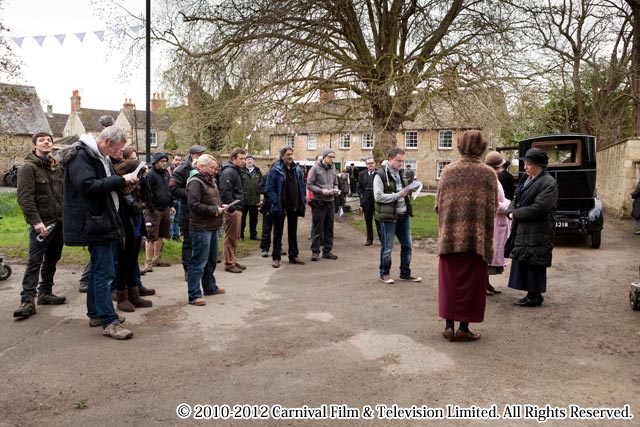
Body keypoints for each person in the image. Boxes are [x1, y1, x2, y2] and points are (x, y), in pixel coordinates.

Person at [61, 126, 138, 339]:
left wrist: (124, 186)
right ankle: (109, 321)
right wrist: (121, 180)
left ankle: (96, 313)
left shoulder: (100, 156)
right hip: (95, 222)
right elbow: (87, 186)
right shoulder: (81, 156)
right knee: (105, 273)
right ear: (105, 141)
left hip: (102, 220)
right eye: (118, 148)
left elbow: (107, 184)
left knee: (98, 271)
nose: (119, 153)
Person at [435, 131, 497, 342]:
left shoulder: (448, 171)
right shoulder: (488, 173)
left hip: (450, 238)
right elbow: (493, 208)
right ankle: (464, 328)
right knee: (472, 284)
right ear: (482, 147)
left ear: (460, 145)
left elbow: (437, 205)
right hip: (476, 239)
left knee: (450, 282)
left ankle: (448, 327)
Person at [13, 131, 65, 319]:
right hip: (41, 225)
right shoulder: (28, 168)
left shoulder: (55, 167)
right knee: (35, 262)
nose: (46, 142)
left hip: (58, 223)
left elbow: (62, 194)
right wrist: (36, 222)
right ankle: (27, 300)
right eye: (42, 140)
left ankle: (45, 293)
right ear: (34, 145)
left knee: (52, 259)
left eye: (49, 140)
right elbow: (25, 199)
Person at [506, 147, 558, 307]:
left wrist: (516, 214)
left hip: (538, 229)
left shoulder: (549, 182)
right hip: (524, 228)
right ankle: (531, 293)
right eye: (525, 163)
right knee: (525, 258)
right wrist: (511, 210)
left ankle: (534, 295)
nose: (525, 167)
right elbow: (515, 198)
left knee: (534, 260)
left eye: (528, 164)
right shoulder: (526, 179)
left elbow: (540, 207)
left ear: (538, 165)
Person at [373, 148, 421, 284]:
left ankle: (405, 273)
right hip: (388, 216)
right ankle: (384, 273)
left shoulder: (402, 173)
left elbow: (404, 191)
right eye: (398, 160)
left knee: (407, 245)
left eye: (402, 161)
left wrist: (411, 189)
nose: (401, 163)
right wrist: (397, 195)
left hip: (403, 214)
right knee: (387, 247)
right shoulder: (380, 174)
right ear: (390, 159)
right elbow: (378, 196)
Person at [185, 154, 227, 306]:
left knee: (211, 260)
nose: (214, 170)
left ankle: (210, 287)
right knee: (198, 262)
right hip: (200, 227)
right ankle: (194, 295)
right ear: (201, 167)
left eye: (215, 168)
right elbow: (193, 205)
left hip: (212, 225)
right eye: (211, 167)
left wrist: (220, 207)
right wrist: (213, 209)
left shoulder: (210, 181)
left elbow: (213, 200)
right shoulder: (195, 182)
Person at [113, 158, 153, 312]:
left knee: (131, 264)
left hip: (135, 229)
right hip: (125, 230)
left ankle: (133, 294)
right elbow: (134, 207)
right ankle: (122, 297)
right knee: (123, 265)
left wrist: (143, 182)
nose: (140, 179)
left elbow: (147, 199)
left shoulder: (135, 187)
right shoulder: (122, 189)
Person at [264, 145, 307, 268]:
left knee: (293, 232)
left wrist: (302, 198)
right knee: (278, 232)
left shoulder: (296, 169)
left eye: (291, 154)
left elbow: (301, 185)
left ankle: (293, 255)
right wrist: (275, 202)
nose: (290, 156)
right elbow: (269, 188)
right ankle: (276, 257)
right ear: (282, 156)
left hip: (293, 205)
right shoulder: (275, 170)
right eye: (288, 154)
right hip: (280, 206)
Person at [170, 145, 207, 280]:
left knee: (200, 241)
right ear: (192, 155)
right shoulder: (182, 169)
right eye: (199, 154)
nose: (201, 156)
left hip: (201, 211)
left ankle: (199, 267)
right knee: (188, 241)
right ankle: (187, 268)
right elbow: (173, 188)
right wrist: (191, 194)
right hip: (187, 210)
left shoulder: (203, 168)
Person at [142, 152, 175, 272]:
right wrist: (151, 208)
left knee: (161, 234)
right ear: (155, 162)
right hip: (153, 210)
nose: (164, 163)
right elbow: (147, 193)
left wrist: (171, 204)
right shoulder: (150, 175)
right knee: (151, 236)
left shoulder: (166, 173)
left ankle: (157, 258)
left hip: (165, 208)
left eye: (165, 161)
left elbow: (168, 190)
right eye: (162, 161)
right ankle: (148, 261)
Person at [484, 151, 511, 296]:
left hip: (498, 221)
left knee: (492, 254)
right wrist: (510, 207)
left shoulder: (494, 178)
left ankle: (486, 284)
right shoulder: (490, 180)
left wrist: (509, 203)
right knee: (489, 255)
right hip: (493, 222)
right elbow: (494, 203)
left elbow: (501, 199)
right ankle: (483, 284)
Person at [307, 148, 340, 261]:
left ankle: (327, 251)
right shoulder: (315, 169)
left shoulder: (334, 168)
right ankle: (315, 252)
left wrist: (336, 190)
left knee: (329, 228)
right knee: (317, 228)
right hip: (319, 202)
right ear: (324, 157)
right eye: (330, 157)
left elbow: (335, 183)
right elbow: (309, 185)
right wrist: (321, 191)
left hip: (331, 201)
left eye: (333, 157)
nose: (332, 159)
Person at [219, 148, 247, 273]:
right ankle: (229, 263)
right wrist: (232, 208)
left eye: (244, 158)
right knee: (230, 236)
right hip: (232, 209)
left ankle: (233, 260)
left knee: (235, 236)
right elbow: (226, 192)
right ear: (233, 158)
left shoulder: (235, 171)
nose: (243, 161)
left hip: (237, 207)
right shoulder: (229, 171)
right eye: (241, 159)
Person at [357, 157, 378, 246]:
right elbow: (359, 187)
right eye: (368, 163)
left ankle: (382, 238)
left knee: (379, 220)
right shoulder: (362, 174)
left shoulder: (379, 173)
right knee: (368, 220)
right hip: (366, 200)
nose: (370, 165)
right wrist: (362, 197)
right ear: (366, 165)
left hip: (377, 200)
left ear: (375, 164)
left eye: (372, 163)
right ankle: (369, 239)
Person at [240, 154, 262, 241]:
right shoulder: (241, 171)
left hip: (255, 200)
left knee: (254, 219)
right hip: (244, 200)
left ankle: (253, 235)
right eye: (248, 159)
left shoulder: (257, 171)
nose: (250, 161)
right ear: (245, 161)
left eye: (251, 159)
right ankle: (241, 235)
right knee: (242, 220)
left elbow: (261, 184)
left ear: (253, 161)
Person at [259, 160, 275, 257]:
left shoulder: (282, 177)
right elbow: (260, 188)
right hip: (268, 206)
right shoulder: (266, 177)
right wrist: (269, 192)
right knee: (266, 229)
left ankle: (278, 247)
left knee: (278, 229)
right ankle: (265, 248)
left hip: (278, 206)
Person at [168, 154, 183, 241]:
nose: (178, 162)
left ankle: (175, 235)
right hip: (171, 198)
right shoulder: (168, 171)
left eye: (179, 160)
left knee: (177, 219)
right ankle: (169, 235)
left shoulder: (181, 171)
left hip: (179, 198)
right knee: (171, 218)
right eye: (176, 160)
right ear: (173, 160)